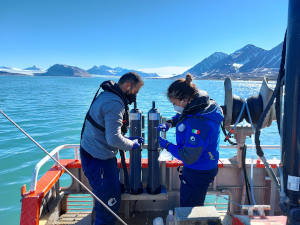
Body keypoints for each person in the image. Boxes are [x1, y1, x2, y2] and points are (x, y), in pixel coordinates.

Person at [80, 72, 144, 225]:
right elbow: (113, 138)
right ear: (128, 86)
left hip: (97, 154)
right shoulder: (115, 103)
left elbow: (106, 131)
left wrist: (128, 139)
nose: (135, 95)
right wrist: (132, 145)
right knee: (109, 205)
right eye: (136, 91)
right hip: (98, 159)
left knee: (106, 199)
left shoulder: (107, 95)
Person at [158, 73, 223, 207]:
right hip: (204, 166)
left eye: (174, 103)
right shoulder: (199, 105)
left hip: (198, 171)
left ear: (184, 99)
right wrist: (170, 122)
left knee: (189, 207)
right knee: (194, 205)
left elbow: (188, 156)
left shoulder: (199, 122)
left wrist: (166, 145)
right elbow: (184, 114)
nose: (174, 107)